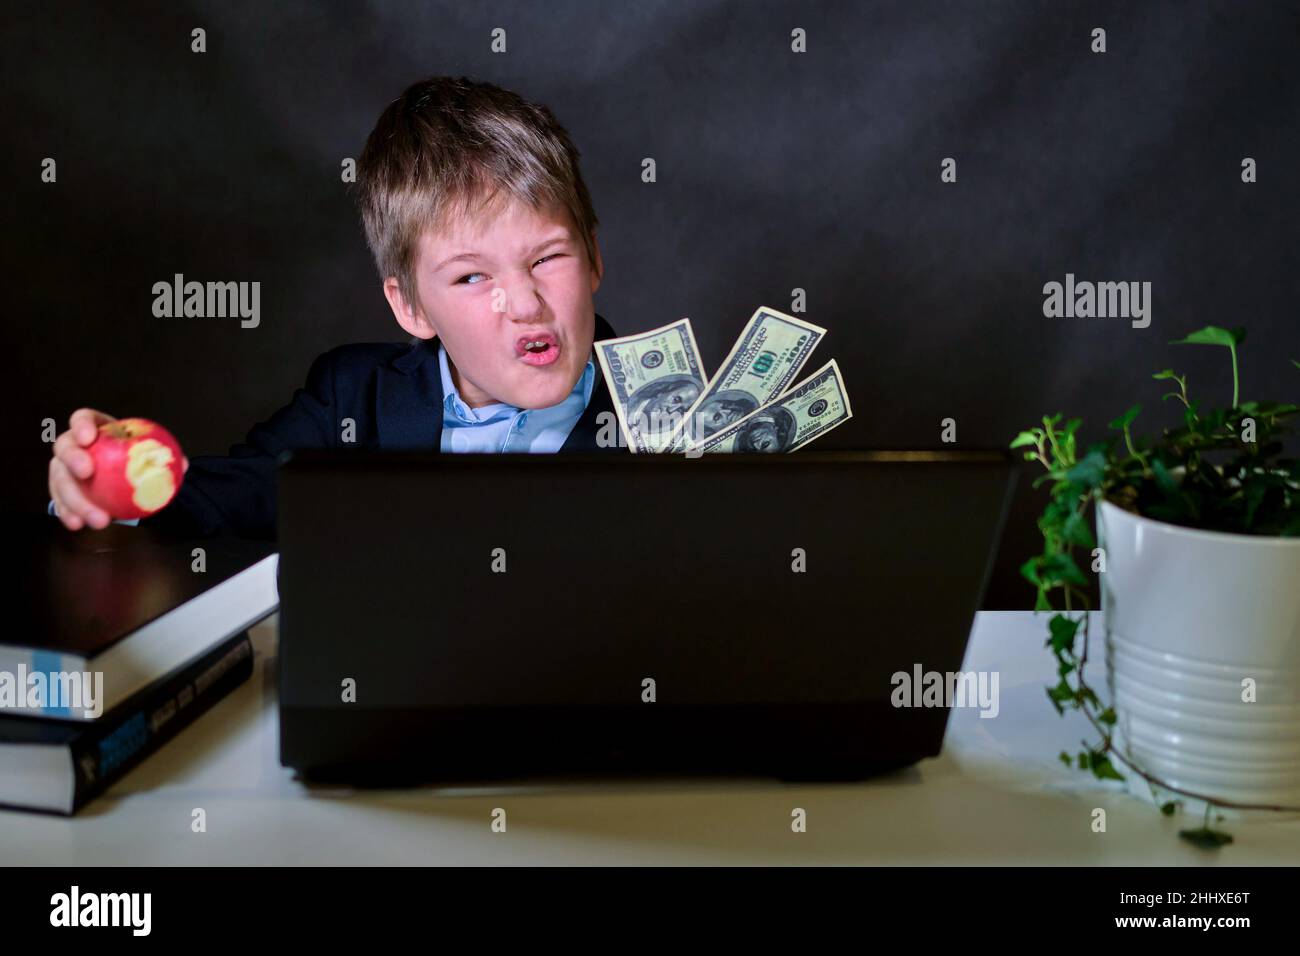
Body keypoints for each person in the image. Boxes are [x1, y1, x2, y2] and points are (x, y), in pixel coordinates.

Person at [46, 76, 624, 539]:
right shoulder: (351, 400)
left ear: (593, 256)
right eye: (472, 275)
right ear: (412, 308)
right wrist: (104, 489)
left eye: (547, 258)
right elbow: (222, 501)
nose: (524, 303)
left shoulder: (672, 427)